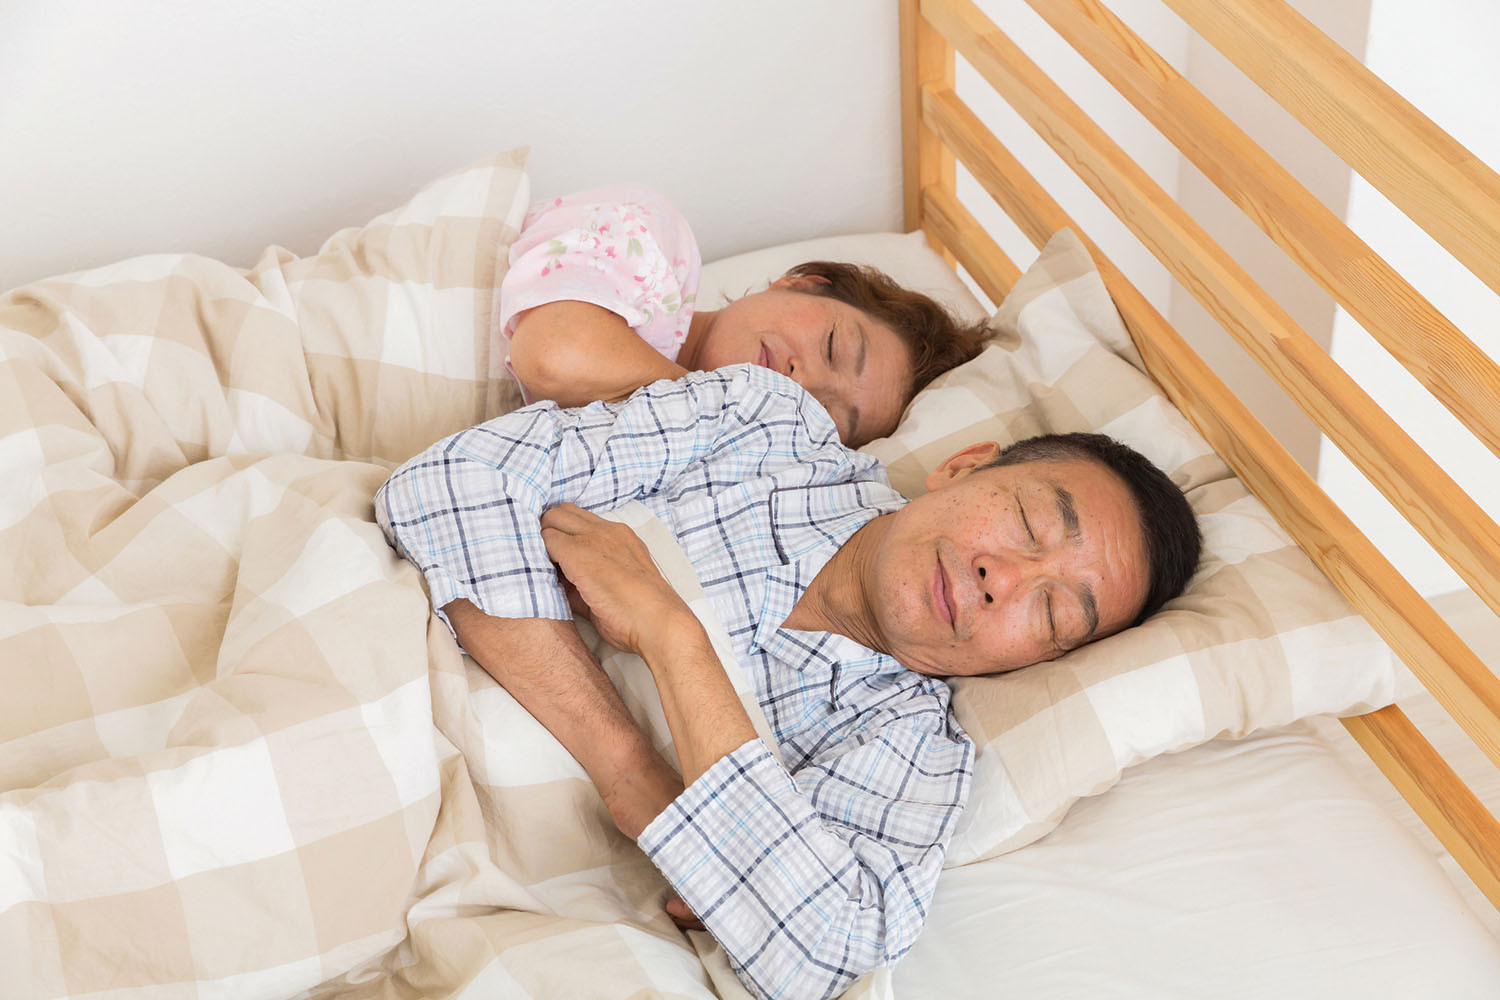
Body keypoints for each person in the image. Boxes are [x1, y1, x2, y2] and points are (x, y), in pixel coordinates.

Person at [376, 364, 1200, 999]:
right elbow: (451, 484)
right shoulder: (766, 428)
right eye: (1026, 523)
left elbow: (820, 950)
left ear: (1036, 662)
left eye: (1054, 612)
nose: (1004, 579)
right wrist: (646, 783)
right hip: (380, 659)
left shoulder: (910, 748)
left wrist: (671, 637)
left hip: (450, 852)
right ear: (963, 467)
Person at [496, 185, 990, 446]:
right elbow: (553, 354)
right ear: (800, 283)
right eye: (834, 347)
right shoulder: (653, 244)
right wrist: (717, 403)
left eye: (830, 413)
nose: (807, 382)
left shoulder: (677, 444)